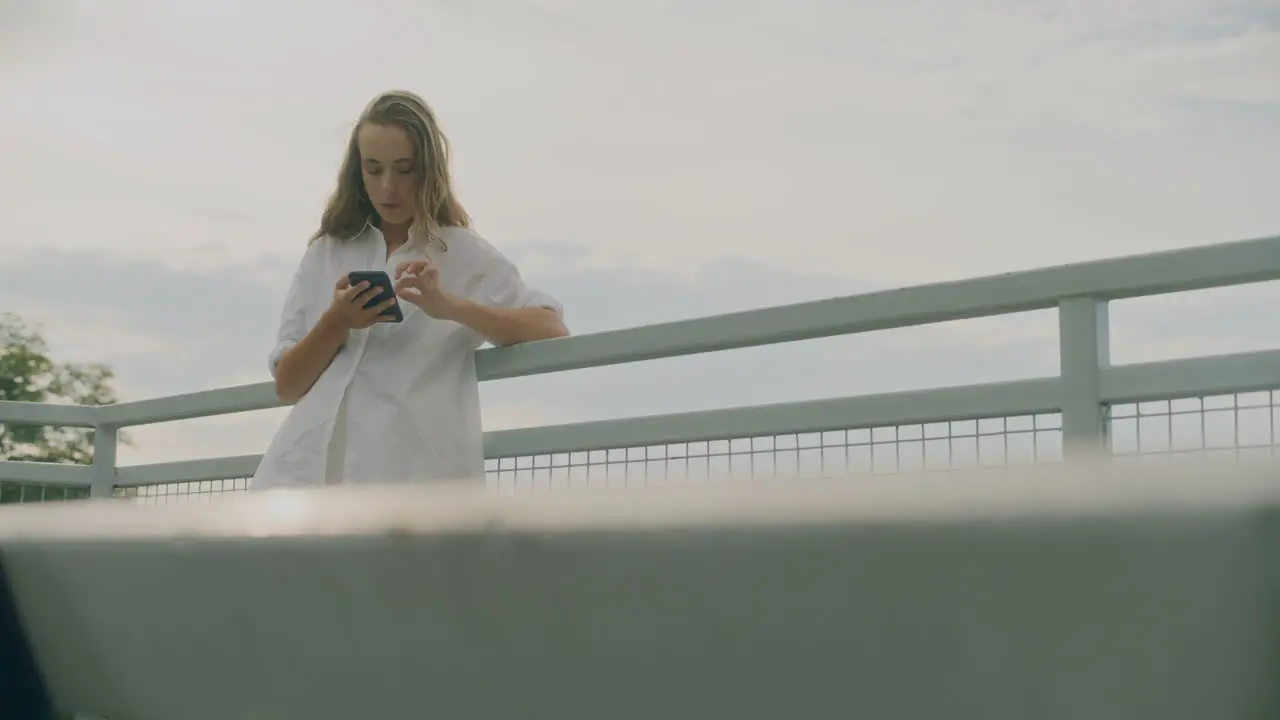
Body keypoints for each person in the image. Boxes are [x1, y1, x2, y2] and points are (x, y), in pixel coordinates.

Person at [251, 90, 568, 489]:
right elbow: (288, 385)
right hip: (307, 479)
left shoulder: (460, 251)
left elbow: (550, 327)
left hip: (413, 482)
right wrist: (337, 321)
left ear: (429, 170)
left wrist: (450, 306)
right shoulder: (327, 252)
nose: (388, 188)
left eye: (405, 170)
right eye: (374, 169)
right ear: (357, 172)